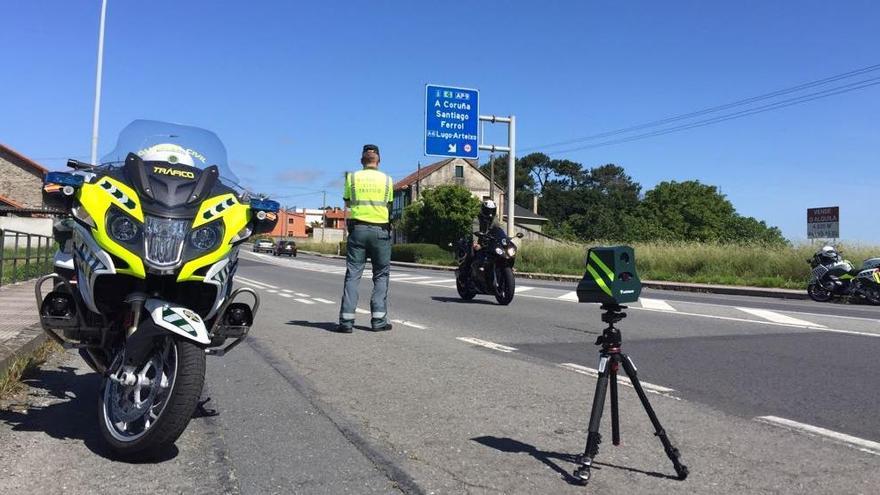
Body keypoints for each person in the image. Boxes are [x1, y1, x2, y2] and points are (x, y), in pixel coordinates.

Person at [337, 144, 394, 333]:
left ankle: (346, 322)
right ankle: (378, 321)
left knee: (353, 274)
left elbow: (347, 201)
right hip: (380, 232)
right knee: (381, 275)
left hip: (358, 230)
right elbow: (389, 205)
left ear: (362, 160)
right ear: (379, 160)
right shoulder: (387, 180)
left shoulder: (352, 178)